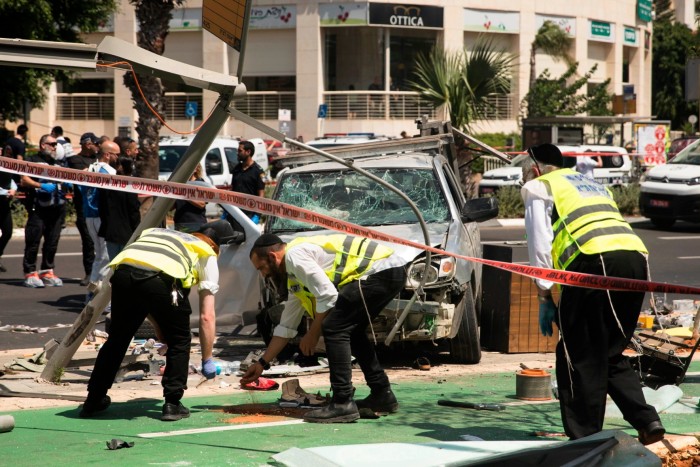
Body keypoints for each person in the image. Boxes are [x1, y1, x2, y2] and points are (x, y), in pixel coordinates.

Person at [520, 143, 665, 445]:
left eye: (524, 174)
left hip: (594, 262)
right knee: (610, 349)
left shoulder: (539, 186)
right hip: (634, 259)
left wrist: (545, 294)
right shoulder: (588, 183)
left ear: (534, 169)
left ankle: (585, 439)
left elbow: (540, 243)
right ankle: (646, 419)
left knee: (578, 352)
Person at [241, 233, 408, 423]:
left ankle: (342, 403)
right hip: (389, 270)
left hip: (382, 270)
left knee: (335, 327)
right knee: (350, 330)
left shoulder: (295, 256)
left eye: (262, 268)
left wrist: (313, 333)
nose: (264, 275)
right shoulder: (295, 279)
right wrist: (261, 364)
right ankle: (382, 395)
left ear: (272, 256)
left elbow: (328, 296)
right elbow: (287, 326)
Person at [80, 220, 236, 421]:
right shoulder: (206, 252)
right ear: (216, 246)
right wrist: (207, 359)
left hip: (123, 275)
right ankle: (172, 403)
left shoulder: (162, 234)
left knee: (118, 339)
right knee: (180, 339)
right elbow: (207, 316)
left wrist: (158, 325)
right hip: (161, 280)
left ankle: (94, 399)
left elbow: (142, 286)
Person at [20, 134, 68, 288]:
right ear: (42, 145)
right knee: (33, 240)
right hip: (39, 208)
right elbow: (24, 179)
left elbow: (68, 180)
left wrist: (68, 185)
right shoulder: (32, 160)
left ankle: (47, 270)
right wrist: (40, 186)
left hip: (58, 207)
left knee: (52, 242)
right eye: (52, 144)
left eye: (56, 144)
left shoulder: (59, 163)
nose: (55, 147)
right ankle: (30, 272)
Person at [79, 140, 119, 287]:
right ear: (107, 155)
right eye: (117, 155)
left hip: (89, 216)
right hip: (102, 218)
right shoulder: (110, 172)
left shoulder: (88, 169)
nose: (118, 158)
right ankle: (100, 294)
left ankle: (92, 289)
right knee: (106, 257)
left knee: (99, 256)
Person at [68, 132, 100, 285]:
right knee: (88, 242)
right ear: (88, 144)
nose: (98, 147)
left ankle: (99, 273)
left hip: (98, 208)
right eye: (96, 143)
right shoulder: (76, 161)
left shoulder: (97, 159)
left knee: (101, 244)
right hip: (84, 209)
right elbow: (85, 176)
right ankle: (89, 273)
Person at [99, 156, 141, 260]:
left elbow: (102, 209)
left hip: (110, 233)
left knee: (113, 265)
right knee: (125, 266)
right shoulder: (129, 187)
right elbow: (133, 212)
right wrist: (137, 231)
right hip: (127, 234)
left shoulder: (107, 184)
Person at [229, 140, 265, 221]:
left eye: (240, 151)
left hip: (249, 215)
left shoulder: (258, 171)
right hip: (235, 213)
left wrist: (257, 215)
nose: (237, 153)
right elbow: (232, 190)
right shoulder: (236, 169)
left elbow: (261, 196)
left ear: (248, 152)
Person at [173, 164, 207, 233]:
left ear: (195, 169)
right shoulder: (179, 184)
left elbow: (201, 204)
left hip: (196, 224)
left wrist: (184, 195)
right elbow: (172, 207)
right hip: (180, 224)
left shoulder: (200, 183)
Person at [0, 146, 17, 273]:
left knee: (8, 232)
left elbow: (10, 181)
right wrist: (5, 191)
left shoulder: (5, 164)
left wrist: (13, 189)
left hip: (3, 203)